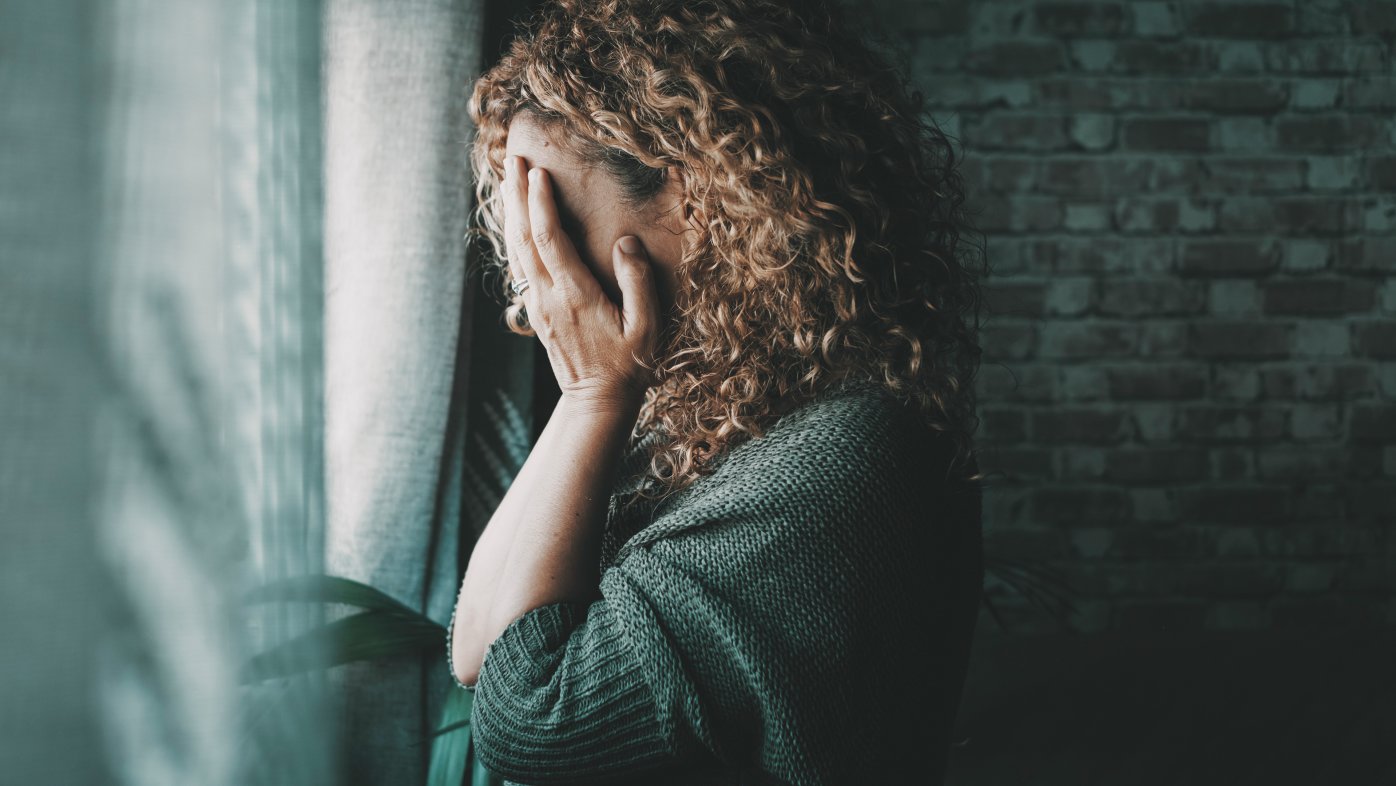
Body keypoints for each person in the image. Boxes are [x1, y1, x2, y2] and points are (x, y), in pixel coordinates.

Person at [447, 0, 986, 783]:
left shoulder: (840, 458)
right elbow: (476, 652)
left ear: (701, 200)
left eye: (552, 215)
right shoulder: (710, 404)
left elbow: (530, 718)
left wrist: (596, 393)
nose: (538, 285)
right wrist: (591, 398)